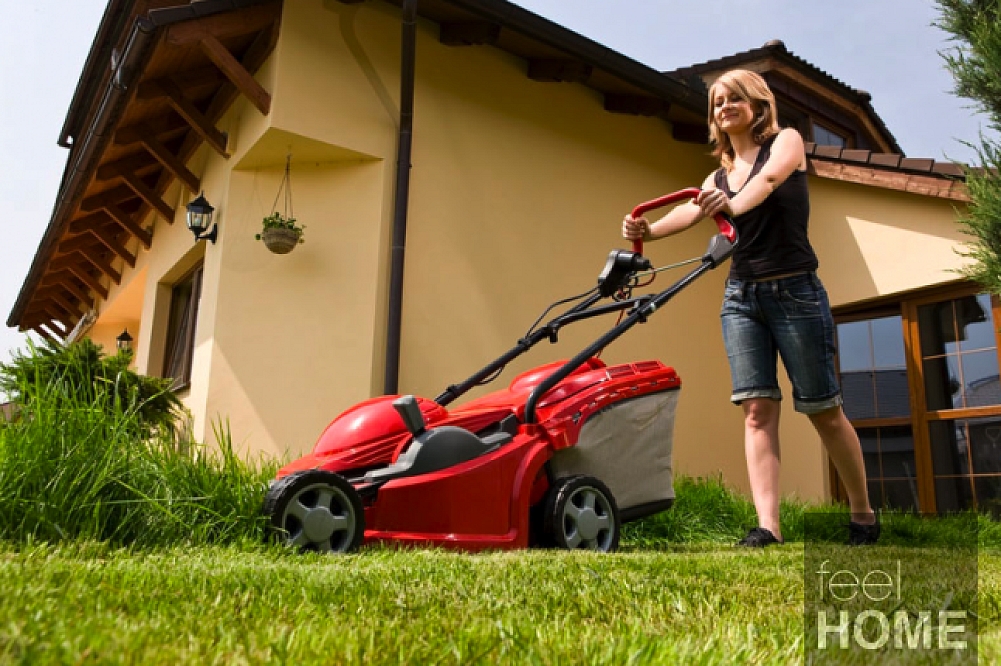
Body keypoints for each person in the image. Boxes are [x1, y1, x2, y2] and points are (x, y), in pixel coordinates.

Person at [622, 69, 879, 547]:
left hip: (796, 292)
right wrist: (648, 231)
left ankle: (863, 514)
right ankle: (768, 527)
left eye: (734, 98)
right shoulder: (716, 176)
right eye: (718, 102)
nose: (724, 107)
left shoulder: (786, 142)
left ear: (758, 104)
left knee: (823, 409)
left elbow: (770, 180)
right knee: (757, 410)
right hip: (741, 298)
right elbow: (692, 208)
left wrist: (732, 206)